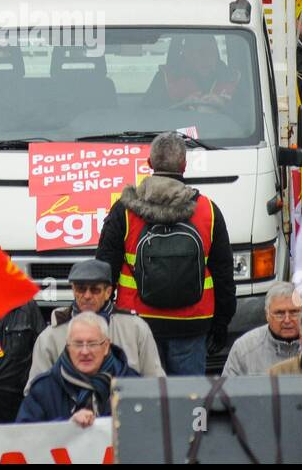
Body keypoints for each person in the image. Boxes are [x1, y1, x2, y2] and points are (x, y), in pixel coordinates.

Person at [96, 132, 234, 375]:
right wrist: (221, 323)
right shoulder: (208, 212)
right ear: (184, 165)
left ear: (149, 164)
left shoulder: (124, 211)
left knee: (141, 402)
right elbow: (224, 274)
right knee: (188, 400)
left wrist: (102, 318)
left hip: (136, 323)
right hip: (193, 323)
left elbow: (104, 269)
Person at [27, 259, 164, 390]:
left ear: (108, 292)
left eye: (95, 290)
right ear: (73, 290)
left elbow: (156, 384)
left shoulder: (135, 329)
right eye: (81, 289)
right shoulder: (50, 336)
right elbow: (35, 392)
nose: (87, 295)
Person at [17, 312, 139, 425]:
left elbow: (149, 431)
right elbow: (25, 438)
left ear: (106, 346)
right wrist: (67, 427)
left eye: (92, 344)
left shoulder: (134, 385)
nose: (85, 351)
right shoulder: (43, 390)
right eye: (78, 344)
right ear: (68, 346)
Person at [221, 281, 302, 376]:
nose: (287, 320)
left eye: (294, 312)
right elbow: (227, 389)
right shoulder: (244, 348)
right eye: (279, 313)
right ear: (267, 315)